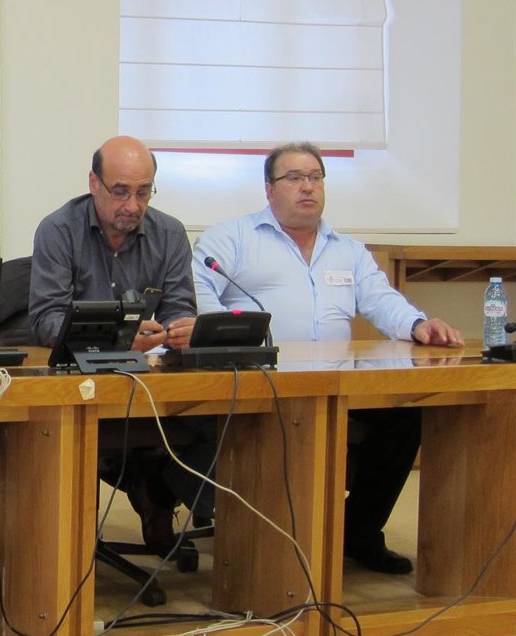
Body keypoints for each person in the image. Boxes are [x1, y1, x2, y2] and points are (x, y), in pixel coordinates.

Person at [193, 141, 463, 574]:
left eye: (315, 178)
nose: (308, 187)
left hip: (339, 385)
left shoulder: (347, 249)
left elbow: (381, 300)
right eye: (294, 178)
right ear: (269, 189)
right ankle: (269, 542)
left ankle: (358, 532)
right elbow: (197, 290)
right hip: (264, 384)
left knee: (406, 414)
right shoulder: (233, 238)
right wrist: (233, 335)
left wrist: (417, 325)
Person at [28, 135, 203, 554]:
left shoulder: (169, 233)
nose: (132, 205)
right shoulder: (58, 230)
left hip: (149, 382)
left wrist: (179, 330)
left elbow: (180, 308)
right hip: (76, 383)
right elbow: (46, 320)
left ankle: (161, 492)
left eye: (143, 192)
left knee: (222, 416)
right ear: (94, 183)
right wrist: (117, 338)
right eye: (120, 191)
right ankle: (66, 546)